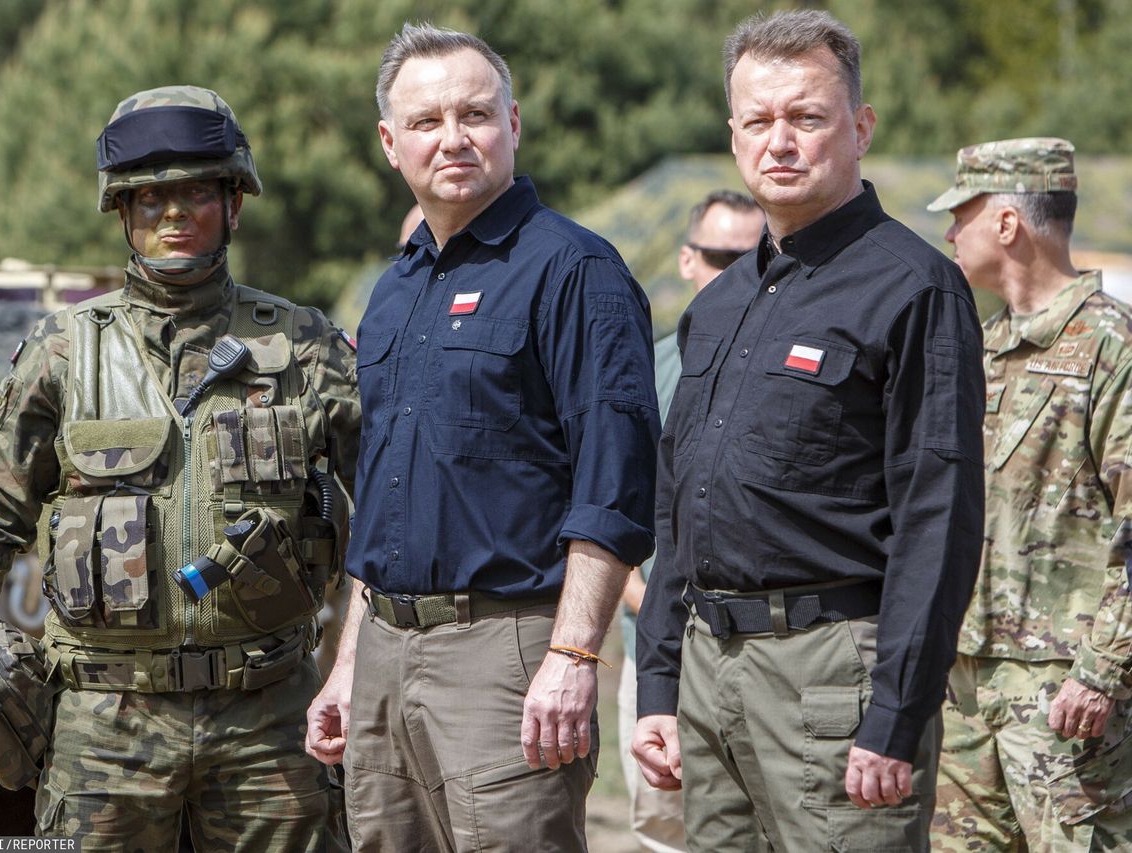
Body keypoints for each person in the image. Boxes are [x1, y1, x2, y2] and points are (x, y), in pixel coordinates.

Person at [0, 85, 360, 850]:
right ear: (122, 211)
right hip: (103, 725)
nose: (174, 214)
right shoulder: (64, 350)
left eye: (195, 194)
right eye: (150, 197)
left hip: (268, 717)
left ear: (233, 204)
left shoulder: (305, 346)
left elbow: (392, 507)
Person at [633, 10, 986, 852]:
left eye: (807, 117)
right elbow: (676, 506)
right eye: (759, 121)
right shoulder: (718, 306)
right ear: (733, 134)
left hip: (834, 675)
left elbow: (938, 517)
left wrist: (898, 709)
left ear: (859, 127)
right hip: (709, 671)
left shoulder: (914, 288)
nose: (780, 141)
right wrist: (656, 681)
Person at [304, 22, 659, 852]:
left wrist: (573, 653)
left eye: (476, 114)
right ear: (391, 144)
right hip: (386, 648)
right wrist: (351, 665)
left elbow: (614, 484)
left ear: (514, 124)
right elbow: (384, 498)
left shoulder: (575, 270)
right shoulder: (396, 290)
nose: (454, 139)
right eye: (427, 123)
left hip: (507, 650)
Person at [926, 138, 1132, 852]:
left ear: (1007, 224)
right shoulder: (984, 347)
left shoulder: (1112, 347)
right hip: (966, 683)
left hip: (1066, 696)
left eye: (963, 214)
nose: (950, 233)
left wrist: (1103, 670)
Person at [618, 190, 764, 853]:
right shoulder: (648, 366)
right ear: (685, 260)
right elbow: (605, 505)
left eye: (751, 255)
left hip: (763, 651)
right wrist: (655, 615)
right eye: (718, 255)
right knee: (667, 828)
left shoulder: (789, 360)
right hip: (657, 648)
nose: (735, 269)